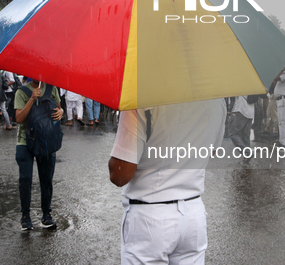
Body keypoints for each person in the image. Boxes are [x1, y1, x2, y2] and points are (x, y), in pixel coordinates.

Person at [108, 99, 226, 264]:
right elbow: (212, 150)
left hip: (150, 217)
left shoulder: (142, 98)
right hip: (193, 214)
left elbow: (120, 175)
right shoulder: (216, 99)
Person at [14, 78, 63, 230]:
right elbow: (19, 119)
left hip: (47, 140)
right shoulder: (22, 92)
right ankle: (25, 216)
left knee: (46, 179)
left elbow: (58, 108)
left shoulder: (52, 88)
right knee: (25, 178)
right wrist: (32, 99)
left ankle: (47, 215)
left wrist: (61, 112)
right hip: (25, 141)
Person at [228, 95, 256, 165]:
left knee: (233, 134)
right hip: (250, 111)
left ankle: (247, 153)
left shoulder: (239, 84)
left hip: (240, 109)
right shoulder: (254, 84)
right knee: (245, 136)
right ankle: (246, 159)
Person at [272, 65, 285, 149]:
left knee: (284, 121)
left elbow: (276, 78)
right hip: (280, 100)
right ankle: (282, 140)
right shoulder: (283, 73)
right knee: (280, 122)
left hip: (284, 99)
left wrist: (280, 70)